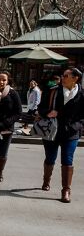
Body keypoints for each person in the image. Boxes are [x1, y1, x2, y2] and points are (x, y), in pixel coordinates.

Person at [38, 67, 84, 202]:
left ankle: (66, 190)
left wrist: (76, 126)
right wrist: (47, 112)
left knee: (67, 160)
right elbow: (40, 108)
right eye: (63, 76)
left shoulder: (82, 95)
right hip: (52, 131)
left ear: (76, 78)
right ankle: (46, 180)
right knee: (50, 158)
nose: (62, 78)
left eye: (65, 76)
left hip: (71, 133)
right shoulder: (53, 91)